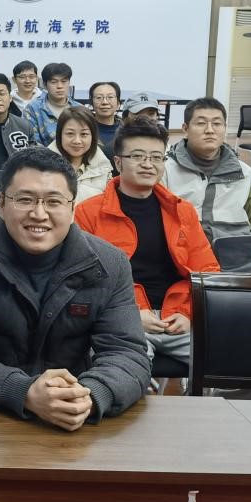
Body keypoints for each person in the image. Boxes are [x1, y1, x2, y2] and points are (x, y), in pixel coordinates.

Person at [0, 147, 150, 428]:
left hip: (75, 418)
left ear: (72, 208)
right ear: (1, 203)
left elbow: (127, 354)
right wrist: (24, 392)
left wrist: (89, 396)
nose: (39, 213)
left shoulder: (110, 263)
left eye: (53, 201)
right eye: (24, 199)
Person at [74, 118, 219, 370]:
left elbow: (207, 270)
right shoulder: (89, 212)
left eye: (156, 157)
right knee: (124, 376)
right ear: (118, 162)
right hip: (122, 320)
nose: (148, 164)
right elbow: (84, 279)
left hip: (179, 319)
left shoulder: (181, 211)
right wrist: (129, 313)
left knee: (240, 363)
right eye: (138, 156)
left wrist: (188, 313)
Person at [163, 97, 251, 240]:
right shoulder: (166, 170)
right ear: (186, 129)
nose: (210, 130)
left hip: (235, 248)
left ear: (225, 128)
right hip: (185, 248)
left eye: (217, 124)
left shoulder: (245, 173)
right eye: (201, 123)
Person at [50, 106, 114, 203]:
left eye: (84, 134)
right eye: (70, 133)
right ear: (60, 135)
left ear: (93, 136)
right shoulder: (42, 167)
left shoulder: (104, 168)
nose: (77, 141)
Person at [26, 62, 82, 146]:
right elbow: (32, 143)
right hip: (44, 154)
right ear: (45, 85)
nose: (60, 86)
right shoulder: (32, 109)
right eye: (53, 82)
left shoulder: (80, 109)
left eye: (64, 81)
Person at [89, 81, 122, 153]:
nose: (105, 102)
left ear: (118, 104)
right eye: (99, 97)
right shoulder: (84, 128)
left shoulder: (127, 130)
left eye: (110, 97)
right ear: (91, 104)